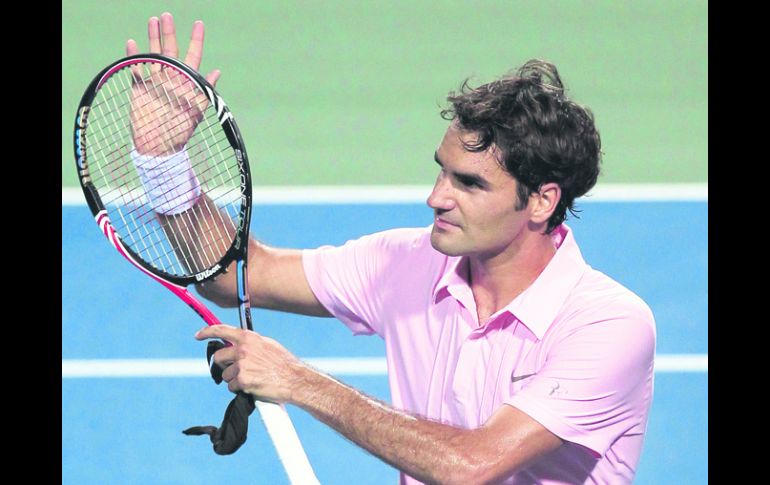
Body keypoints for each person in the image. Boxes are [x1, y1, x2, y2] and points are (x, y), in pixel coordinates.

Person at [130, 13, 656, 484]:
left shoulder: (608, 325)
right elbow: (235, 276)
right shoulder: (407, 263)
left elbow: (470, 467)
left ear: (541, 201)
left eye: (469, 184)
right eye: (441, 170)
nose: (435, 197)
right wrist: (165, 165)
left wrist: (298, 381)